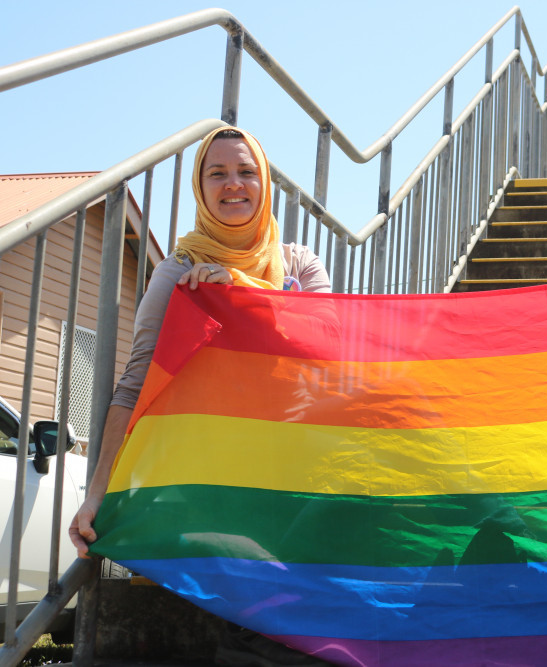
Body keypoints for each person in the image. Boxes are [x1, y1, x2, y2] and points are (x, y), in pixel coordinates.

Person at [67, 126, 333, 664]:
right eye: (218, 173)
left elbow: (328, 346)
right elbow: (136, 381)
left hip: (298, 469)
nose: (233, 184)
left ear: (264, 182)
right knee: (249, 629)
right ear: (200, 187)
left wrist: (243, 292)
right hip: (219, 479)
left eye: (246, 171)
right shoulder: (180, 273)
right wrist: (96, 493)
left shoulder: (300, 265)